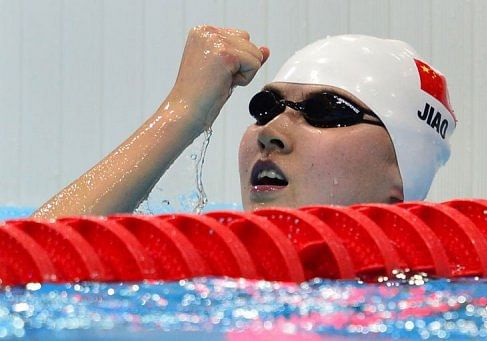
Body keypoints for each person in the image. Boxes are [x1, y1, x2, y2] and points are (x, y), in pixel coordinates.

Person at [32, 25, 456, 219]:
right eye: (265, 108)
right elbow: (21, 264)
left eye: (326, 111)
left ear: (399, 180)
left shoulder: (438, 296)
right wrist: (182, 114)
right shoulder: (199, 261)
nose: (271, 133)